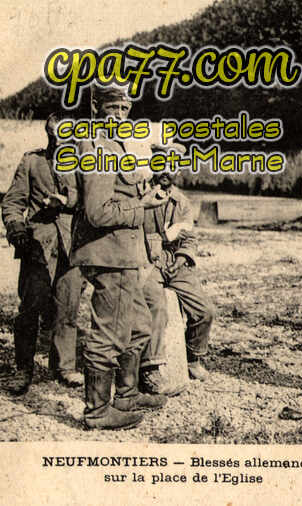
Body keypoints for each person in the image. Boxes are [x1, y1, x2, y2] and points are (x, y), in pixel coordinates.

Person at [71, 85, 169, 429]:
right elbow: (97, 212)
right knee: (109, 334)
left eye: (125, 108)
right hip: (109, 253)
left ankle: (126, 397)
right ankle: (98, 412)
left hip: (125, 254)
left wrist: (145, 189)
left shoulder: (114, 146)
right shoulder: (97, 146)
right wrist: (141, 205)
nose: (120, 114)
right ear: (95, 106)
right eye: (113, 107)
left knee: (139, 327)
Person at [1, 113, 83, 394]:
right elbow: (12, 203)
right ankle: (23, 369)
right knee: (29, 309)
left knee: (68, 307)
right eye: (53, 134)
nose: (58, 140)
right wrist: (18, 232)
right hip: (37, 247)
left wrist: (68, 200)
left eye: (65, 136)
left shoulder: (85, 166)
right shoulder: (31, 162)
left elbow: (91, 200)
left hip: (72, 247)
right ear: (47, 135)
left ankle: (64, 366)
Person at [142, 157, 215, 383]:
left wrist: (182, 257)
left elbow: (189, 237)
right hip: (147, 261)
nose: (165, 171)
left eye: (171, 166)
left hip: (176, 262)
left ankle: (193, 356)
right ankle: (150, 367)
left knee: (205, 310)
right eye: (160, 164)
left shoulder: (181, 201)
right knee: (157, 308)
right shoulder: (141, 197)